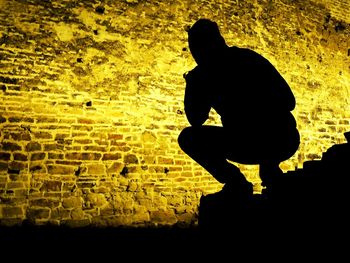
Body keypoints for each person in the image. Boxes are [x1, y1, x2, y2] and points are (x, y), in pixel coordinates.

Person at [178, 19, 300, 198]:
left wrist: (253, 111)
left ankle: (267, 171)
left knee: (269, 138)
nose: (195, 55)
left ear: (216, 42)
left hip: (278, 138)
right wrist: (193, 87)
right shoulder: (205, 76)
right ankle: (237, 181)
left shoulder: (247, 60)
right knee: (189, 138)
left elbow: (288, 101)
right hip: (242, 141)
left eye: (197, 48)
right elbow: (195, 119)